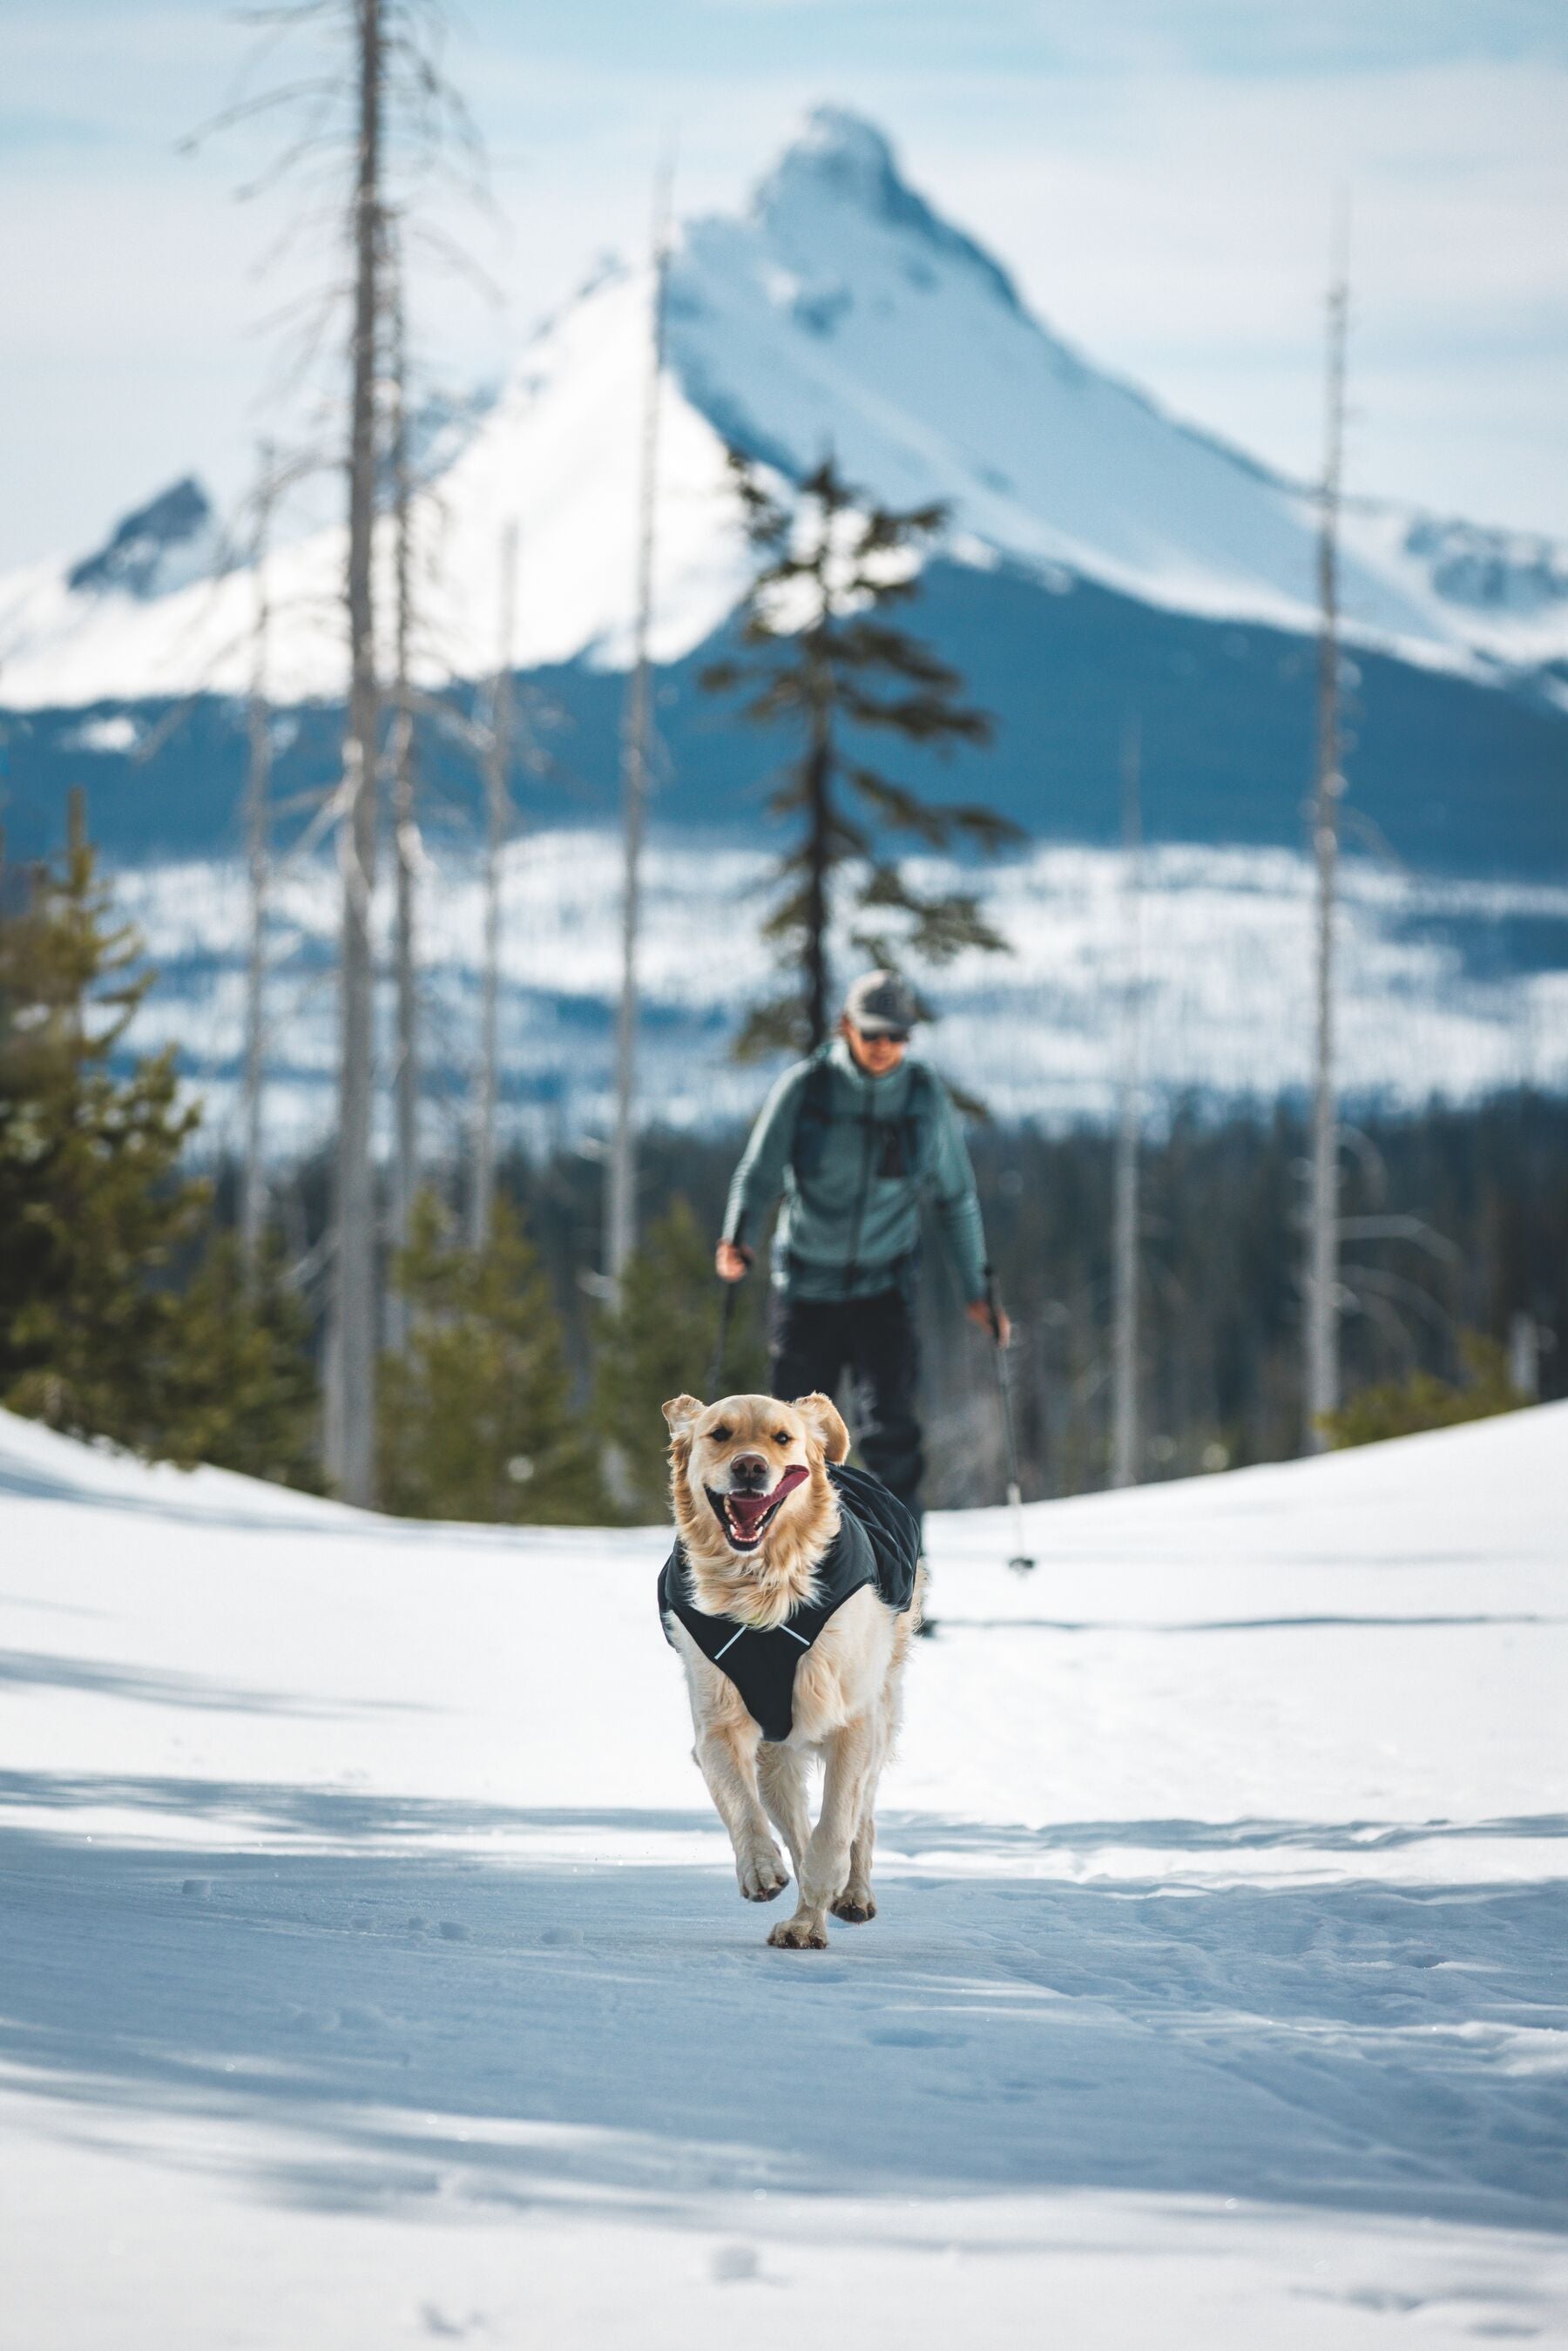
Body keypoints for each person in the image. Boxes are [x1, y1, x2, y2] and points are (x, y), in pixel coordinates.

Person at [715, 970, 1010, 1529]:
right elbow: (757, 1175)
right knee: (790, 1444)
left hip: (884, 1292)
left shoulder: (923, 1098)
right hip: (806, 1289)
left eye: (897, 1036)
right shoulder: (807, 1088)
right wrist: (739, 1239)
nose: (884, 1047)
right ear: (845, 1026)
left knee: (892, 1437)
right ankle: (787, 1581)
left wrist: (977, 1290)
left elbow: (955, 1197)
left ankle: (903, 1580)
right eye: (872, 1033)